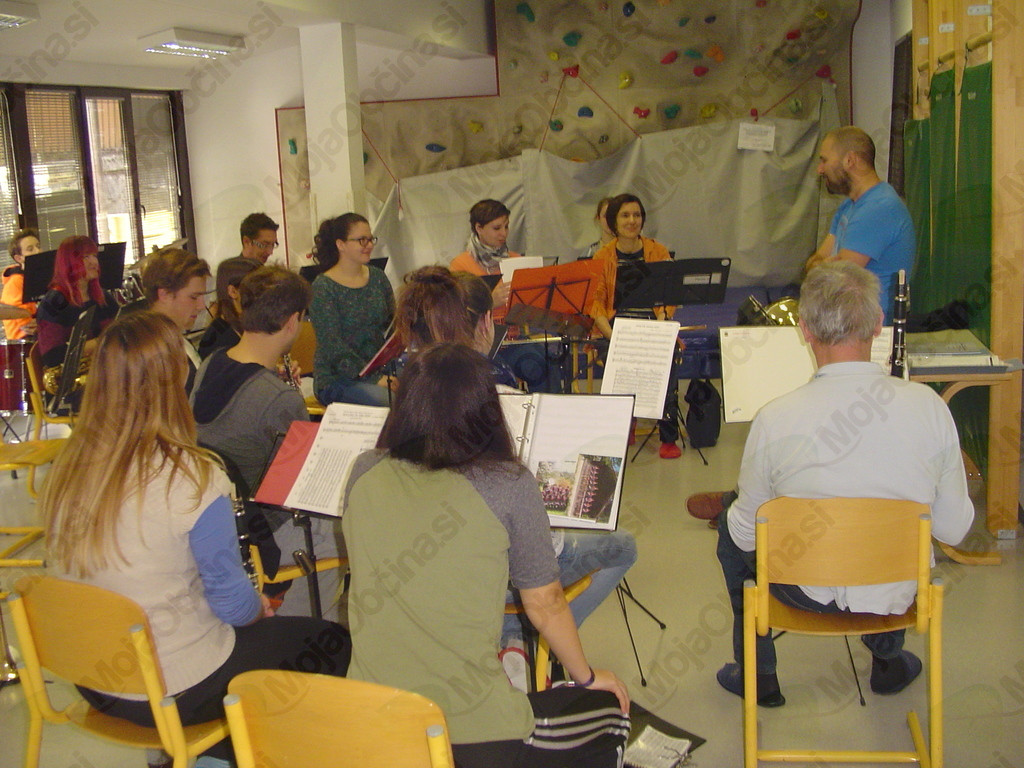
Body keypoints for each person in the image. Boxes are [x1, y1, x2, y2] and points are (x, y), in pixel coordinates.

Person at [40, 311, 350, 768]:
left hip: (92, 678)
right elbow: (233, 605)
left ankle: (203, 751)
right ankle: (243, 751)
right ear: (173, 385)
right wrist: (256, 608)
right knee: (330, 642)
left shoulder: (68, 468)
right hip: (170, 690)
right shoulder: (192, 476)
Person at [343, 343, 629, 768]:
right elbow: (545, 603)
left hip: (371, 720)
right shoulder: (507, 483)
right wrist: (586, 678)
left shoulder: (364, 469)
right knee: (613, 715)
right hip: (470, 733)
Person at [714, 261, 973, 708]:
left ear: (804, 329)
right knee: (895, 535)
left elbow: (745, 535)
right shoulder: (930, 406)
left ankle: (759, 673)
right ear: (877, 324)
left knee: (730, 524)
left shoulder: (774, 418)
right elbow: (954, 529)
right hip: (898, 591)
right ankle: (888, 661)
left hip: (803, 590)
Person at [393, 266, 638, 664]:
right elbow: (541, 503)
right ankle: (531, 643)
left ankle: (509, 639)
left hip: (435, 560)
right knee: (623, 545)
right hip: (504, 563)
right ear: (486, 324)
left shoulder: (406, 395)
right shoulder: (503, 396)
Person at [192, 266, 342, 618]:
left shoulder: (211, 363)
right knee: (344, 527)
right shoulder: (278, 398)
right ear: (292, 322)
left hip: (216, 515)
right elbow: (301, 488)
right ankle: (306, 626)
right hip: (263, 531)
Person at [590, 193, 681, 458]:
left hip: (653, 325)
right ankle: (624, 424)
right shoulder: (603, 255)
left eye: (637, 215)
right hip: (616, 329)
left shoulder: (658, 251)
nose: (632, 220)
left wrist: (660, 329)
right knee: (618, 360)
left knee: (668, 359)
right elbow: (595, 303)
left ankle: (668, 437)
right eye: (625, 215)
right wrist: (613, 336)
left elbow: (669, 298)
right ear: (613, 222)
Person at [805, 126, 915, 323]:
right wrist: (821, 266)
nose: (819, 169)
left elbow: (836, 283)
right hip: (850, 324)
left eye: (824, 160)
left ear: (849, 160)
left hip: (870, 330)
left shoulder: (879, 208)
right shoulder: (849, 205)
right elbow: (817, 262)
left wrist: (822, 268)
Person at [308, 213, 393, 407]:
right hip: (337, 379)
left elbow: (391, 324)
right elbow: (332, 347)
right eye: (362, 240)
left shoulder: (378, 277)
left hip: (378, 369)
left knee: (423, 386)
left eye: (371, 239)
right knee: (389, 401)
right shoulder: (323, 287)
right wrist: (372, 379)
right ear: (341, 244)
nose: (369, 245)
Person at [36, 235, 118, 368]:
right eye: (86, 257)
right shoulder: (53, 303)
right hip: (75, 375)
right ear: (69, 263)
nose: (94, 262)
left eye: (94, 256)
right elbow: (51, 357)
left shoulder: (103, 297)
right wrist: (99, 343)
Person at [142, 247, 211, 394]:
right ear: (164, 294)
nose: (201, 306)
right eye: (194, 297)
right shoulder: (153, 352)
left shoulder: (174, 336)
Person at [449, 199, 522, 321]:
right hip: (481, 330)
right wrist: (490, 302)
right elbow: (457, 312)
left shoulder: (517, 260)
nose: (504, 233)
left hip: (518, 328)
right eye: (497, 228)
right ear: (479, 228)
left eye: (506, 227)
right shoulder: (460, 264)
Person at [197, 255, 261, 359]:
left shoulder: (248, 325)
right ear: (233, 292)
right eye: (257, 288)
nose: (264, 295)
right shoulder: (219, 340)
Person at [2, 227, 41, 339]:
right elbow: (26, 325)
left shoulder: (39, 277)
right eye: (30, 249)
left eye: (38, 246)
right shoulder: (15, 282)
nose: (38, 251)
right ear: (19, 258)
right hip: (23, 340)